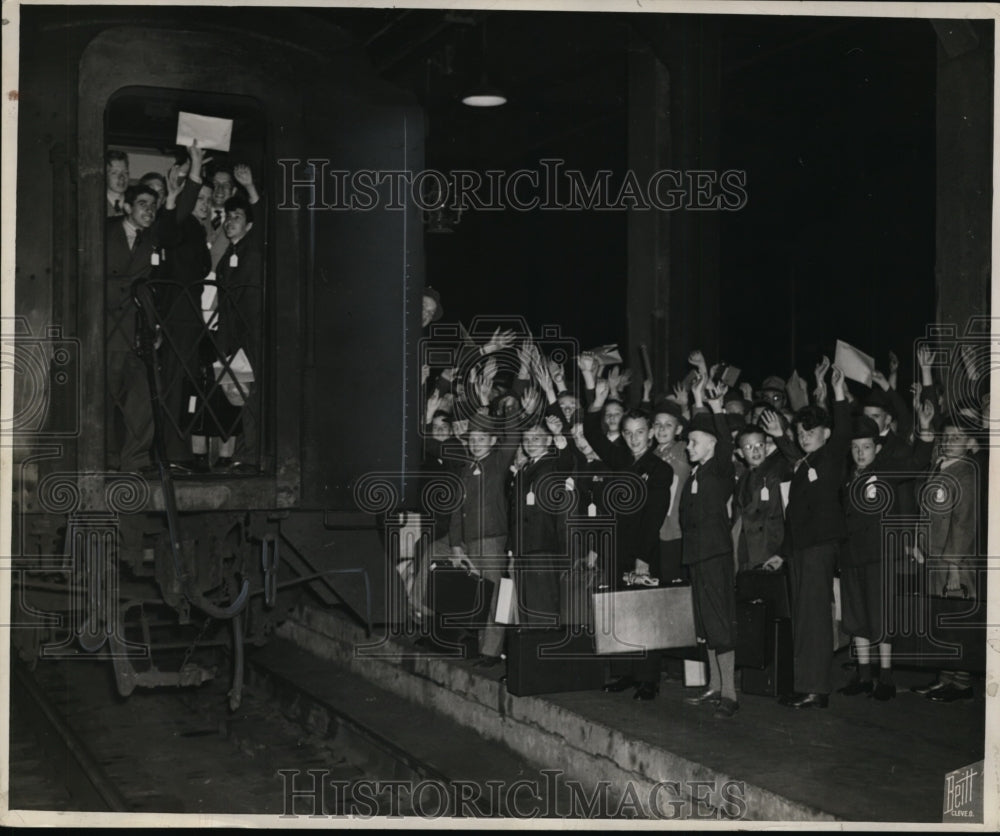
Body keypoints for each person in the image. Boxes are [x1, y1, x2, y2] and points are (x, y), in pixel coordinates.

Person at [763, 365, 851, 709]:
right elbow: (794, 516)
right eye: (801, 431)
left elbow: (843, 429)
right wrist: (783, 553)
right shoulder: (806, 464)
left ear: (826, 433)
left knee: (814, 618)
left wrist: (838, 393)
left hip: (819, 548)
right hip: (801, 549)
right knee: (803, 616)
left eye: (811, 431)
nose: (804, 435)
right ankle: (807, 685)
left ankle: (817, 689)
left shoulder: (830, 457)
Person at [582, 369, 672, 701]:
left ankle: (648, 679)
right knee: (620, 609)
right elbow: (592, 432)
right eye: (628, 433)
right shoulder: (620, 460)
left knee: (645, 611)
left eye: (639, 432)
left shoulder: (659, 469)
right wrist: (598, 395)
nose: (634, 439)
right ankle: (624, 673)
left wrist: (643, 560)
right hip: (616, 548)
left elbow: (655, 517)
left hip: (642, 550)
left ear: (650, 434)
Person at [838, 406, 934, 701]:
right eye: (856, 448)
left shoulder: (885, 470)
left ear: (876, 448)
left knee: (880, 617)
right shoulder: (847, 476)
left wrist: (926, 429)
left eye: (866, 447)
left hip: (880, 556)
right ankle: (864, 676)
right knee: (856, 618)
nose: (860, 453)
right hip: (851, 556)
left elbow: (918, 461)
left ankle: (886, 678)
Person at [679, 373, 739, 719]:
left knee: (719, 621)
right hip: (697, 556)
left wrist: (715, 409)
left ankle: (730, 694)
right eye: (688, 442)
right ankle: (715, 685)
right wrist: (697, 398)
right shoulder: (698, 474)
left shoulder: (719, 470)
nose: (689, 447)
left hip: (715, 555)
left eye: (694, 442)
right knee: (705, 623)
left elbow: (726, 444)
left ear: (713, 444)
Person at [909, 414, 981, 702]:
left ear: (970, 443)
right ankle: (944, 678)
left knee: (955, 622)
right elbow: (926, 511)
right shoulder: (940, 466)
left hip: (954, 562)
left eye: (958, 437)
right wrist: (917, 542)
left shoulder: (966, 472)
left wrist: (954, 568)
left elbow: (964, 525)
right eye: (947, 436)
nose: (950, 441)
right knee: (941, 621)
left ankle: (961, 683)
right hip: (934, 557)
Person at [448, 411, 518, 666]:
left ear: (492, 441)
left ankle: (492, 651)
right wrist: (456, 544)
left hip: (492, 541)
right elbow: (455, 510)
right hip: (470, 543)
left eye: (481, 438)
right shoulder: (466, 468)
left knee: (496, 596)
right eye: (472, 439)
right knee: (477, 596)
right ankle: (481, 646)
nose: (475, 443)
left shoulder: (498, 462)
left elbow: (513, 436)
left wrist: (505, 407)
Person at [105, 183, 162, 471]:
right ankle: (106, 459)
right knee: (106, 396)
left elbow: (156, 289)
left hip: (139, 331)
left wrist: (155, 328)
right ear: (127, 207)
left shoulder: (154, 239)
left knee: (143, 399)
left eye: (153, 205)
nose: (149, 210)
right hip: (107, 328)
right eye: (142, 203)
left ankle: (135, 461)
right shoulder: (104, 231)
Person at [506, 417, 575, 627]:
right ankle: (530, 655)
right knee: (526, 606)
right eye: (526, 438)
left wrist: (559, 436)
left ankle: (543, 656)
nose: (531, 442)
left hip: (542, 546)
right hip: (523, 547)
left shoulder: (553, 463)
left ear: (548, 442)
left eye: (537, 438)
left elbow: (567, 464)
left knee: (542, 606)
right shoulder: (524, 468)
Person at [733, 417, 792, 571]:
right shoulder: (742, 480)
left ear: (767, 447)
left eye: (760, 445)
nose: (756, 451)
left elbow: (797, 461)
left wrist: (782, 553)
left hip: (771, 550)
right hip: (747, 553)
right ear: (740, 453)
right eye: (748, 447)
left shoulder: (778, 471)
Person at [106, 149, 129, 217]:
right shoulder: (95, 205)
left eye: (125, 172)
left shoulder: (135, 202)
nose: (121, 177)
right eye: (114, 173)